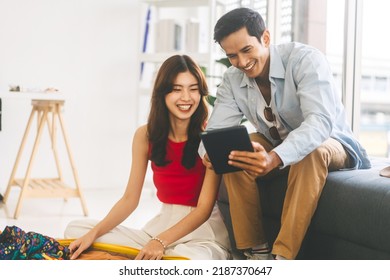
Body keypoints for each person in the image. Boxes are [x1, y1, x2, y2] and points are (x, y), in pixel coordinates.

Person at [198, 7, 371, 260]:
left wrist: (275, 158)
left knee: (311, 151)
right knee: (233, 151)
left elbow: (320, 122)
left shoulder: (305, 60)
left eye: (247, 50)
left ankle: (283, 257)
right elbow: (215, 131)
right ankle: (256, 250)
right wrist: (210, 154)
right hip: (277, 143)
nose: (242, 62)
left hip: (330, 142)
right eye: (232, 56)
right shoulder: (233, 79)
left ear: (265, 38)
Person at [65, 55, 231, 260]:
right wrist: (93, 234)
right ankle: (148, 259)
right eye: (177, 89)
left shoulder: (212, 136)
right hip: (160, 227)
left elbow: (204, 209)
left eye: (193, 88)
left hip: (202, 233)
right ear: (163, 93)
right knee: (76, 230)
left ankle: (128, 260)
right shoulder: (145, 136)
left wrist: (160, 241)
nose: (186, 97)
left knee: (191, 262)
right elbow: (129, 200)